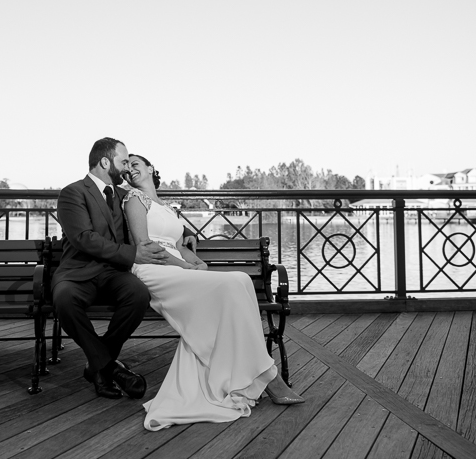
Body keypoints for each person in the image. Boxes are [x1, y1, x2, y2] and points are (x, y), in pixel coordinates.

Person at [122, 153, 304, 431]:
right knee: (232, 285)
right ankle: (269, 377)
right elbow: (146, 245)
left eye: (136, 163)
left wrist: (197, 262)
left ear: (150, 168)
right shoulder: (134, 199)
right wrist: (185, 266)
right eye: (127, 166)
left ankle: (251, 374)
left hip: (176, 266)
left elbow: (176, 242)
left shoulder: (167, 208)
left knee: (242, 280)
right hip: (153, 269)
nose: (131, 169)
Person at [52, 137, 186, 400]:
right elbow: (84, 238)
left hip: (114, 273)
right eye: (123, 161)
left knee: (138, 295)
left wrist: (189, 233)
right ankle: (110, 368)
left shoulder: (126, 195)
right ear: (105, 161)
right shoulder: (72, 193)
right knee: (63, 300)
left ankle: (98, 364)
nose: (126, 168)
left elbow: (156, 213)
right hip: (78, 273)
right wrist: (133, 253)